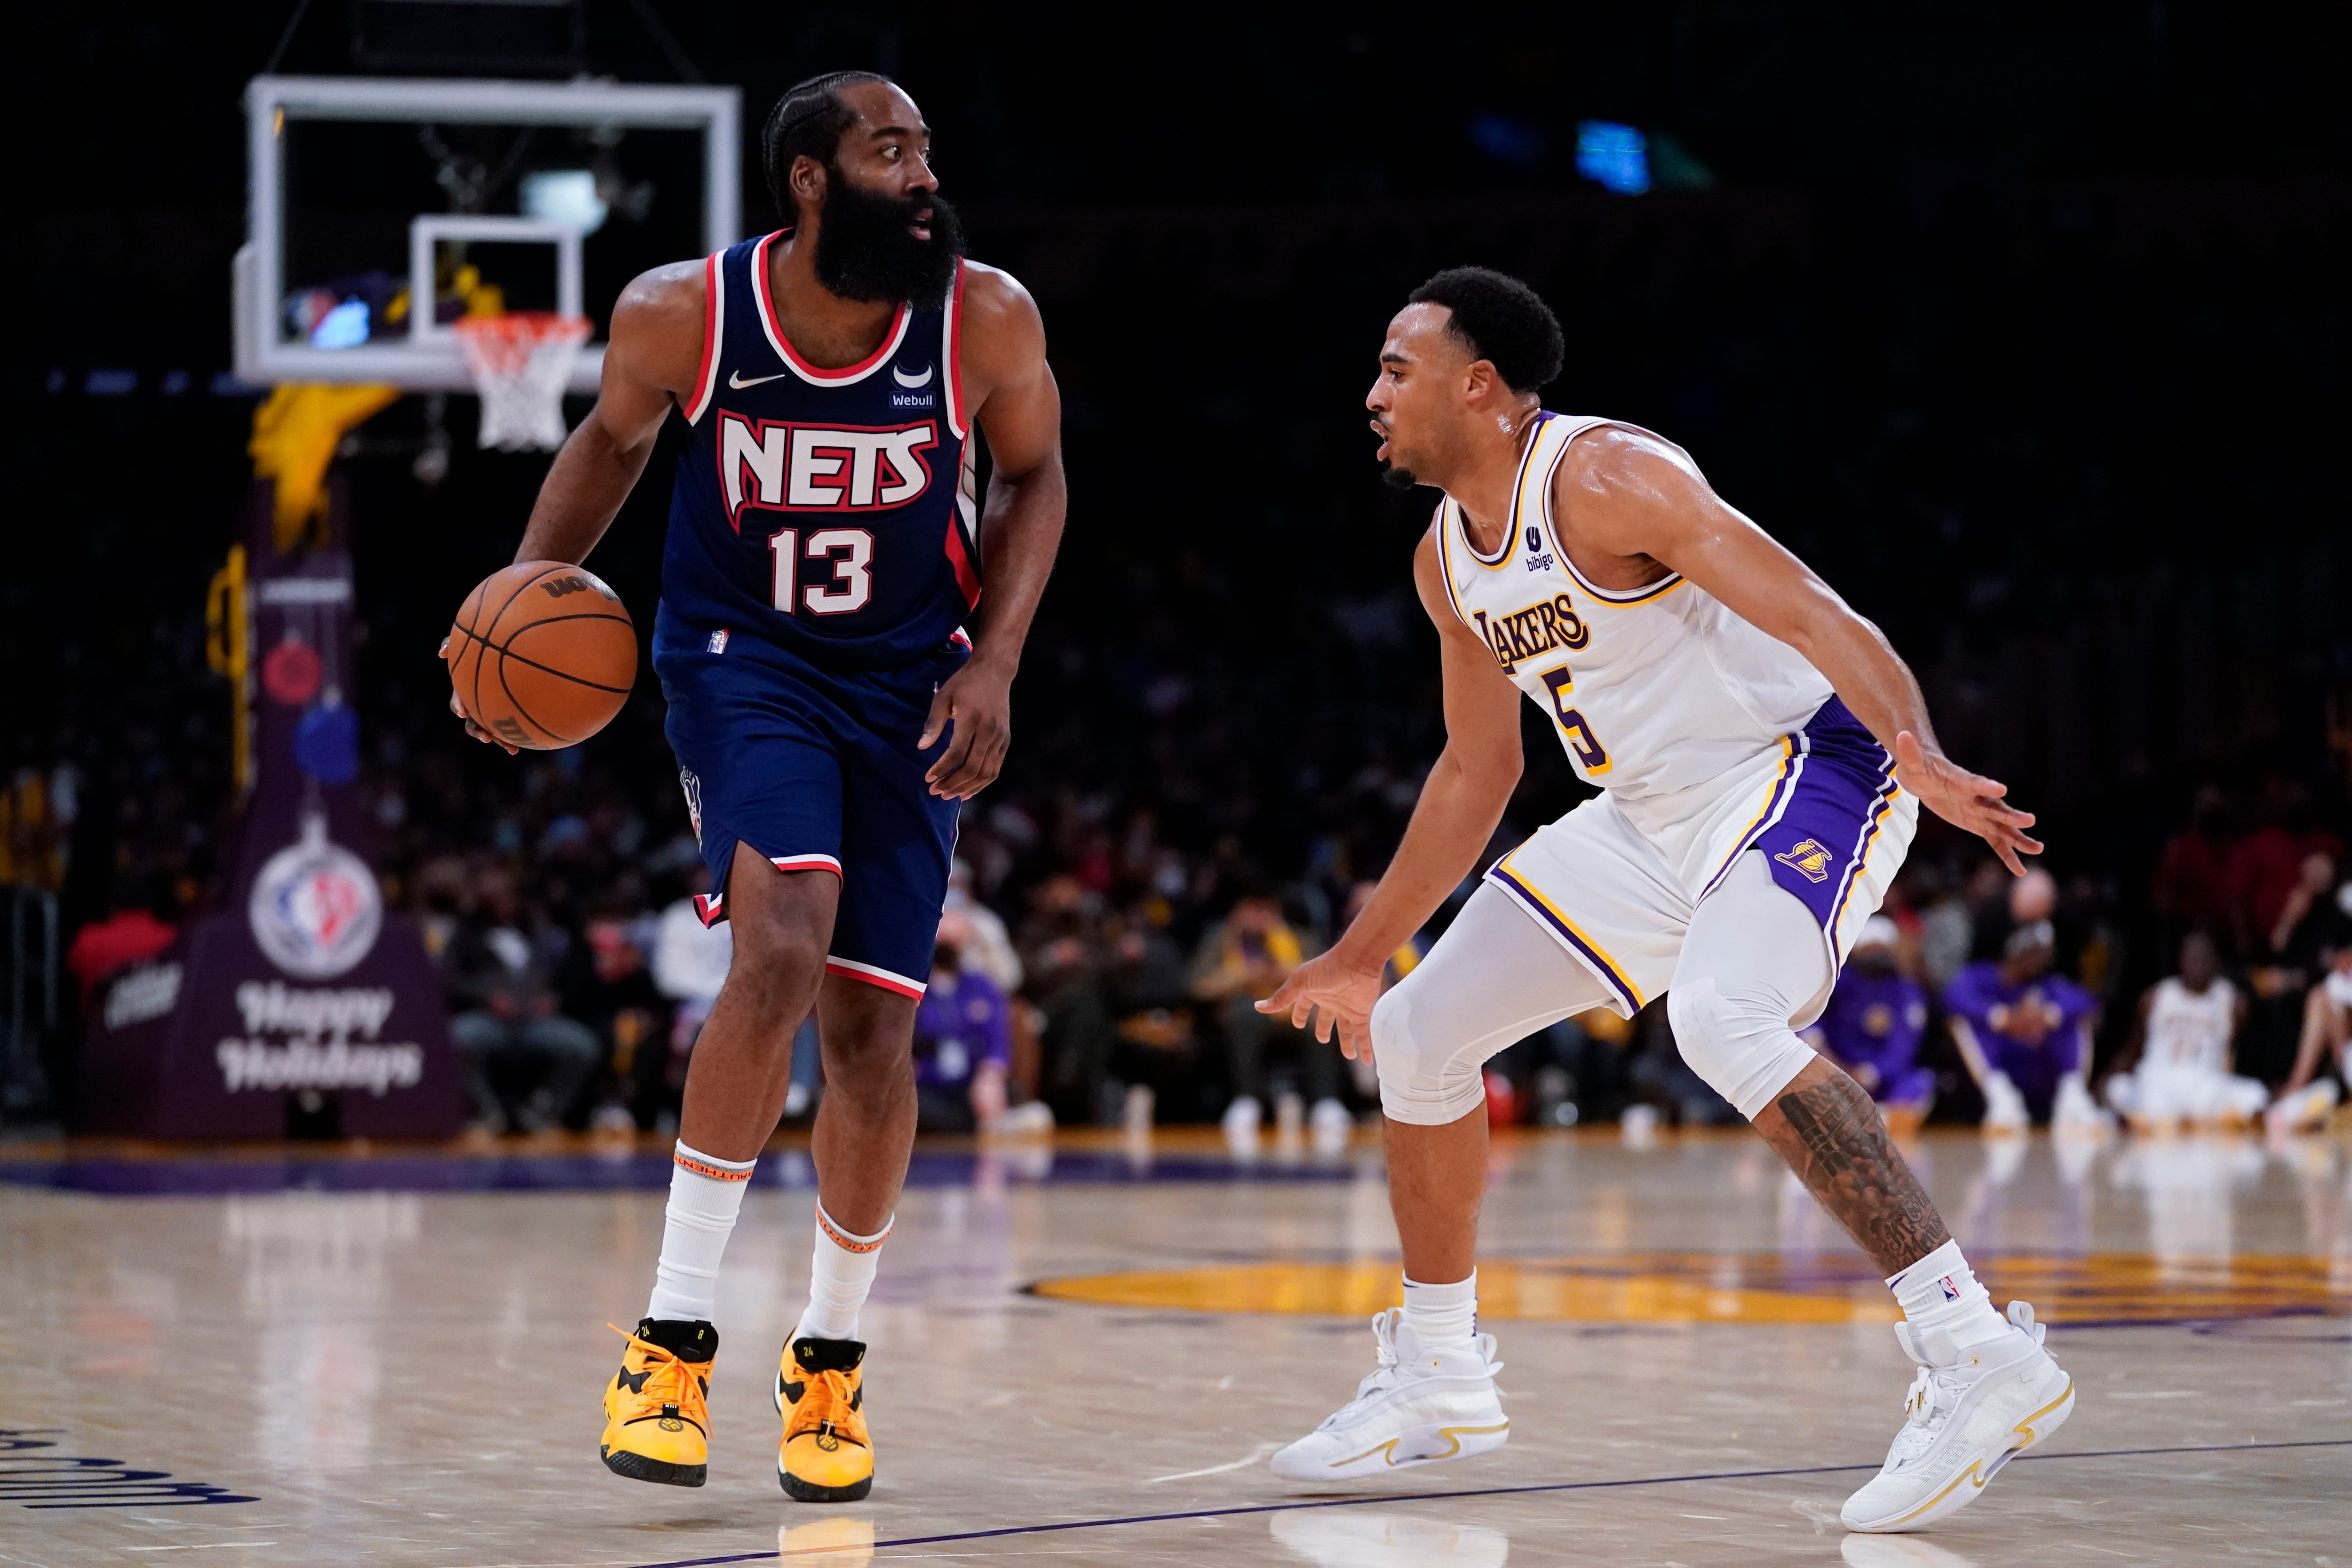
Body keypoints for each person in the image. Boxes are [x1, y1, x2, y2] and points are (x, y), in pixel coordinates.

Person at [1256, 269, 2071, 1535]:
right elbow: (1479, 770)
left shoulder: (1607, 477)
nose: (1373, 395)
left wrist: (1913, 744)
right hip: (1648, 817)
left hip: (1805, 767)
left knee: (1725, 1017)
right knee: (1418, 1034)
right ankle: (1438, 1376)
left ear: (1480, 384)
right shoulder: (1444, 564)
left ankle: (1977, 1352)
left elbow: (1814, 607)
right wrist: (1362, 953)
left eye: (1396, 368)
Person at [448, 72, 1065, 1502]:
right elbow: (608, 446)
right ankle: (669, 1336)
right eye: (887, 151)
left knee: (870, 1035)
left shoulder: (985, 315)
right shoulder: (685, 313)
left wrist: (999, 666)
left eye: (925, 149)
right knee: (778, 949)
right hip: (742, 663)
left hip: (913, 677)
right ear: (808, 178)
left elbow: (1034, 480)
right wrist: (521, 598)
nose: (919, 176)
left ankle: (829, 1360)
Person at [441, 868, 600, 1133]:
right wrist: (486, 998)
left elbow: (568, 974)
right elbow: (451, 979)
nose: (501, 904)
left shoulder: (541, 932)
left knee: (582, 1046)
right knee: (456, 1039)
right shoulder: (466, 935)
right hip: (489, 1020)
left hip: (536, 1021)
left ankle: (543, 1110)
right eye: (492, 900)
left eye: (505, 897)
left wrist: (554, 999)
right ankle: (486, 1110)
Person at [1944, 921, 2103, 1133]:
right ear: (2019, 951)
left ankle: (2073, 1099)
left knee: (2077, 1018)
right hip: (1998, 1065)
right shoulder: (1983, 976)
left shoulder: (2045, 985)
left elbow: (2086, 1001)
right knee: (1963, 1024)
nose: (2042, 961)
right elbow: (1953, 997)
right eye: (2036, 953)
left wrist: (2047, 1016)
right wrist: (2003, 1018)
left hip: (2039, 1065)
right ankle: (2002, 1104)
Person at [2102, 932, 2266, 1132]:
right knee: (2116, 1087)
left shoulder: (2233, 1002)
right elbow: (2134, 1049)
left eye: (2205, 958)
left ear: (2216, 962)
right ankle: (2177, 1121)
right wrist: (2109, 1075)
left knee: (2257, 1094)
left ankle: (2167, 1122)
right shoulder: (2155, 997)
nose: (2198, 964)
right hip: (2158, 1082)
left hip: (2206, 1085)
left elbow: (2240, 1052)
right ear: (2180, 960)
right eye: (2193, 957)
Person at [1799, 916, 1936, 1133]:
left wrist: (1870, 1074)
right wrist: (1831, 1066)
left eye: (1881, 948)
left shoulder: (1906, 991)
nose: (1876, 956)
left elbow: (1903, 1046)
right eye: (1869, 948)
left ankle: (1878, 1121)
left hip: (1882, 1081)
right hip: (1834, 1074)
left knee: (1920, 1082)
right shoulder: (1836, 983)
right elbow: (1809, 1024)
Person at [909, 912, 1010, 1132]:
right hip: (927, 1085)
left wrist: (991, 1074)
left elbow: (997, 1041)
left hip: (971, 1084)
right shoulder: (915, 988)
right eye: (943, 941)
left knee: (1009, 1095)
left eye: (956, 942)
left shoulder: (983, 987)